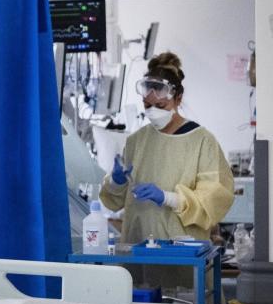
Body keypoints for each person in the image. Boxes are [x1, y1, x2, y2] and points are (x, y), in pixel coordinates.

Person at [100, 52, 234, 244]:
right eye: (147, 105)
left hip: (182, 257)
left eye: (161, 105)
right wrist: (116, 181)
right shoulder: (136, 141)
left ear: (178, 98)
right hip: (137, 250)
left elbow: (212, 202)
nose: (153, 112)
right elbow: (113, 202)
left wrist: (167, 198)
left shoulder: (202, 141)